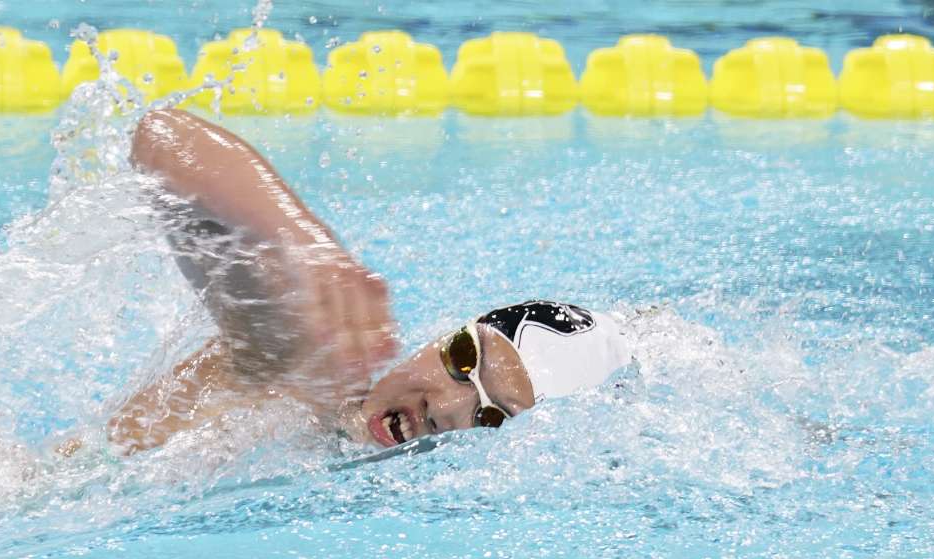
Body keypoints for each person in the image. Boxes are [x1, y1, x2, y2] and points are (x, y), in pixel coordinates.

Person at [104, 109, 631, 454]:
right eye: (463, 360)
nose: (444, 409)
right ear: (446, 336)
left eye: (490, 417)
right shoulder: (305, 371)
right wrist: (303, 242)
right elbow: (160, 138)